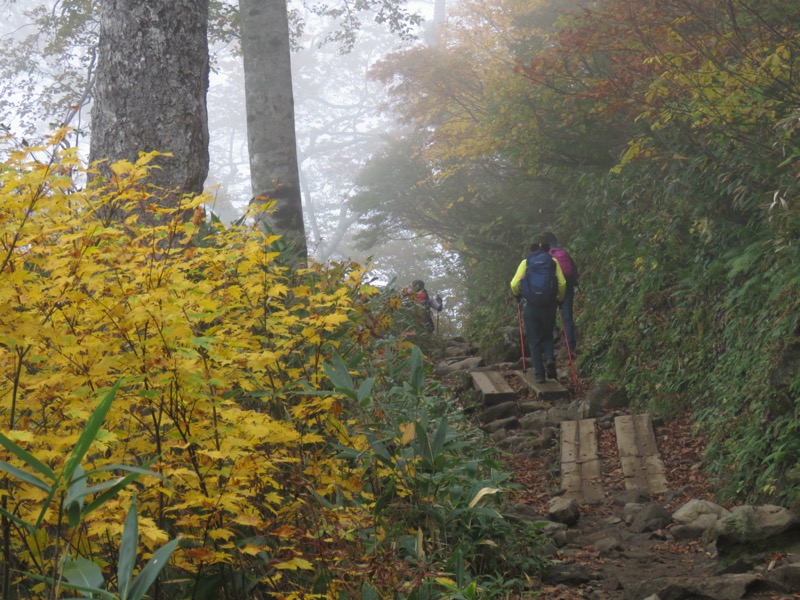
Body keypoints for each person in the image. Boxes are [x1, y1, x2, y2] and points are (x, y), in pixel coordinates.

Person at [510, 239, 566, 383]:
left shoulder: (526, 262)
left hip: (531, 306)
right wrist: (560, 299)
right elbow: (562, 283)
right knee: (547, 335)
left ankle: (540, 375)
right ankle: (549, 358)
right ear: (547, 250)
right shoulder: (553, 262)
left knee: (534, 340)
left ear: (531, 250)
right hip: (549, 305)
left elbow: (514, 283)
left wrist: (517, 294)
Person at [542, 231, 579, 355]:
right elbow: (574, 270)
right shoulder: (563, 252)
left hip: (552, 289)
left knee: (549, 314)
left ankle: (554, 335)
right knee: (567, 316)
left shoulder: (545, 256)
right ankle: (571, 346)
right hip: (567, 287)